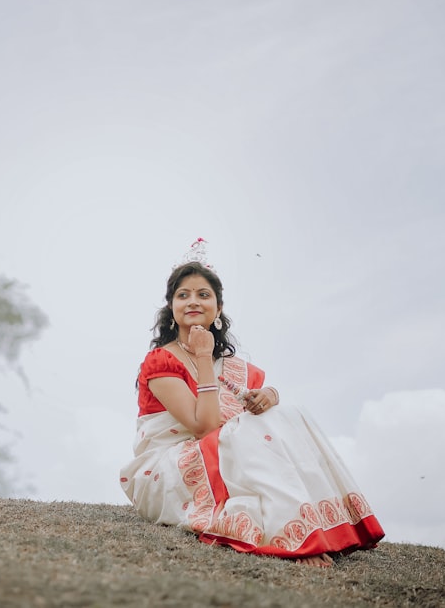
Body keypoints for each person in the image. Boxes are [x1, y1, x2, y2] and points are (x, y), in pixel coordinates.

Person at [119, 241, 384, 568]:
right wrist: (203, 354)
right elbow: (204, 427)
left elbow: (253, 421)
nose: (193, 301)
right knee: (246, 433)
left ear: (218, 309)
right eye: (183, 294)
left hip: (222, 454)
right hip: (170, 467)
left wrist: (269, 396)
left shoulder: (236, 368)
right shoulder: (160, 361)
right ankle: (292, 538)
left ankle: (312, 527)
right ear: (171, 307)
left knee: (288, 414)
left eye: (204, 295)